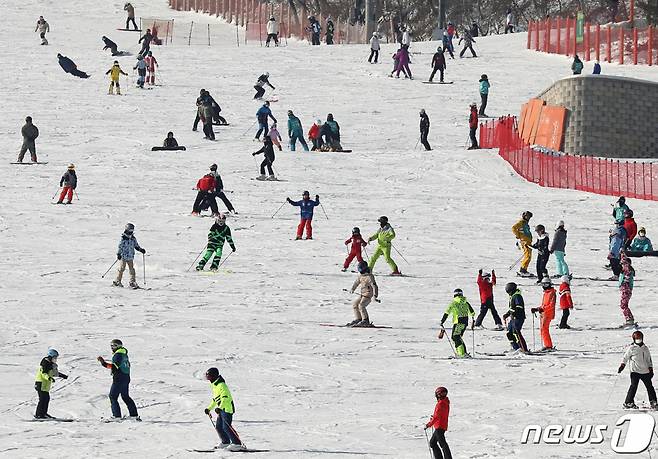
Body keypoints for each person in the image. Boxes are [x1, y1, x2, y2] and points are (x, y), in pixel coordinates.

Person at [97, 339, 140, 420]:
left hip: (119, 378)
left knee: (113, 396)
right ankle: (134, 415)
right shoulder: (124, 354)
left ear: (118, 346)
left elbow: (114, 367)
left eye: (113, 346)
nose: (112, 347)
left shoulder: (118, 354)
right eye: (111, 346)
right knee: (125, 396)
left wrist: (103, 363)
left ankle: (116, 416)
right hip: (126, 377)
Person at [204, 367, 244, 451]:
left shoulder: (221, 385)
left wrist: (220, 407)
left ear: (214, 376)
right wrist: (209, 408)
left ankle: (237, 444)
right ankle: (225, 442)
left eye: (210, 377)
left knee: (226, 427)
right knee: (219, 427)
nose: (209, 379)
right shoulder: (215, 385)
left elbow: (225, 398)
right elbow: (215, 399)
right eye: (208, 377)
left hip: (227, 409)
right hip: (221, 409)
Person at [619, 331, 657, 409]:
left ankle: (653, 402)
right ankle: (628, 402)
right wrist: (622, 365)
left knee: (650, 387)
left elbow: (649, 359)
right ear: (634, 339)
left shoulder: (645, 348)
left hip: (645, 371)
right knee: (633, 386)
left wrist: (651, 369)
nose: (638, 340)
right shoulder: (632, 348)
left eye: (640, 338)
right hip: (635, 371)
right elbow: (625, 358)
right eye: (637, 339)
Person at [439, 289, 475, 358]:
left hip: (458, 322)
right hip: (465, 322)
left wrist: (442, 321)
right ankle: (463, 353)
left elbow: (447, 312)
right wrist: (473, 319)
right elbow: (472, 312)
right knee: (458, 337)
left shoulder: (454, 303)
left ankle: (462, 354)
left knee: (455, 337)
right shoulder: (466, 302)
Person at [34, 348, 68, 419]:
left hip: (45, 385)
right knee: (42, 399)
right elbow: (43, 373)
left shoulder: (51, 364)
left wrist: (62, 375)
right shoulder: (45, 363)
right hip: (40, 383)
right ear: (51, 356)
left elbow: (53, 373)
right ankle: (39, 415)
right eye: (55, 357)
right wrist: (49, 378)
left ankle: (43, 413)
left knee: (46, 398)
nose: (56, 359)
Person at [113, 223, 146, 288]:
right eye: (130, 231)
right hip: (123, 256)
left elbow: (136, 246)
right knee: (122, 268)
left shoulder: (133, 239)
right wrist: (119, 254)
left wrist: (140, 249)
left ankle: (132, 282)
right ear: (127, 230)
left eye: (132, 231)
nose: (131, 232)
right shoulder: (123, 239)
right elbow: (120, 247)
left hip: (130, 256)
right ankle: (117, 281)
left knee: (132, 269)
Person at [347, 261, 379, 327]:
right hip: (362, 294)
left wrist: (375, 295)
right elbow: (356, 283)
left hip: (368, 294)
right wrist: (352, 289)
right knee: (355, 304)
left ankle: (365, 320)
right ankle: (358, 319)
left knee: (361, 305)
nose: (359, 270)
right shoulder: (360, 276)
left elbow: (374, 286)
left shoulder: (369, 277)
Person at [425, 387, 452, 459]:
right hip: (442, 425)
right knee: (433, 443)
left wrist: (428, 424)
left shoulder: (440, 404)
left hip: (439, 426)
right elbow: (440, 414)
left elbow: (436, 417)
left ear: (438, 395)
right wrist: (434, 417)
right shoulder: (445, 402)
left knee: (442, 444)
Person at [531, 276, 556, 351]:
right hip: (544, 313)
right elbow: (544, 305)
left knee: (544, 329)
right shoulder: (546, 293)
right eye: (543, 285)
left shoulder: (552, 293)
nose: (544, 286)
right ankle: (547, 345)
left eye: (546, 285)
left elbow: (551, 305)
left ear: (549, 284)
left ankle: (549, 346)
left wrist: (542, 309)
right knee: (542, 329)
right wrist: (537, 308)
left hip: (548, 314)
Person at [503, 282, 528, 353]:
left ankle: (523, 348)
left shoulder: (517, 296)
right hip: (513, 318)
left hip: (518, 318)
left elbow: (519, 307)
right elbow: (512, 308)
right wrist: (507, 314)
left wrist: (514, 313)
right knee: (509, 333)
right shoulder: (513, 296)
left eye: (508, 289)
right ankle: (516, 348)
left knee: (516, 333)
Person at [512, 211, 533, 277]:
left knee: (528, 256)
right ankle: (522, 270)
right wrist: (518, 235)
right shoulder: (521, 222)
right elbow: (513, 228)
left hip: (528, 241)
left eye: (529, 216)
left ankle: (524, 269)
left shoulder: (526, 223)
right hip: (524, 242)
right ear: (524, 216)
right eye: (527, 216)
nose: (528, 218)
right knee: (528, 256)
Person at [619, 254, 636, 327]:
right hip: (625, 290)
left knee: (623, 305)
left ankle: (629, 319)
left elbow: (627, 279)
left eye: (623, 264)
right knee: (623, 305)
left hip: (626, 290)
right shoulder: (625, 270)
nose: (622, 265)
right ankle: (630, 318)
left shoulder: (628, 271)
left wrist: (624, 288)